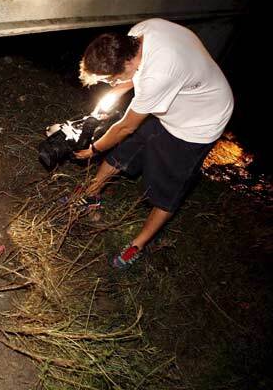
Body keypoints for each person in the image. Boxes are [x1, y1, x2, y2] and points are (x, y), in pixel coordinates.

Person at [74, 18, 234, 269]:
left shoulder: (158, 75)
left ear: (127, 62)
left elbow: (126, 126)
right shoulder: (139, 34)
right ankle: (90, 195)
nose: (111, 84)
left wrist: (94, 148)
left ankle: (136, 246)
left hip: (197, 123)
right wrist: (111, 97)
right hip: (172, 98)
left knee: (166, 191)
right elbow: (131, 79)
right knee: (125, 151)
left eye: (110, 80)